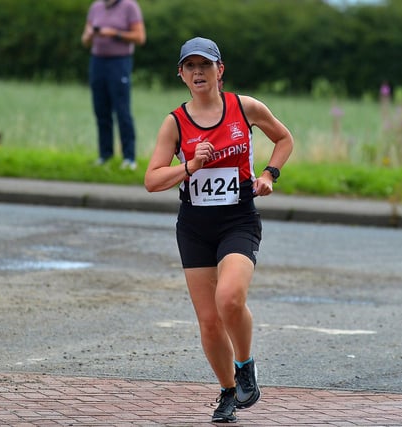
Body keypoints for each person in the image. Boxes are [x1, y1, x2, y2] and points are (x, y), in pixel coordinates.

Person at [144, 37, 293, 423]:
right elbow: (153, 179)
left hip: (238, 218)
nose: (198, 73)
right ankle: (229, 391)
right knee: (209, 320)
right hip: (194, 225)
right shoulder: (175, 122)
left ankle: (245, 365)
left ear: (219, 70)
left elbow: (284, 138)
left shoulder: (245, 108)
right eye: (190, 67)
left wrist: (269, 175)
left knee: (230, 298)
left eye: (205, 66)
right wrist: (190, 166)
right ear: (181, 74)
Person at [81, 0, 146, 170]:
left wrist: (114, 33)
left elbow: (140, 37)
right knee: (101, 110)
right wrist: (89, 35)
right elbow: (85, 40)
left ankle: (129, 158)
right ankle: (105, 155)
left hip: (119, 62)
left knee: (122, 110)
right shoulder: (96, 7)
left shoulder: (129, 6)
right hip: (97, 62)